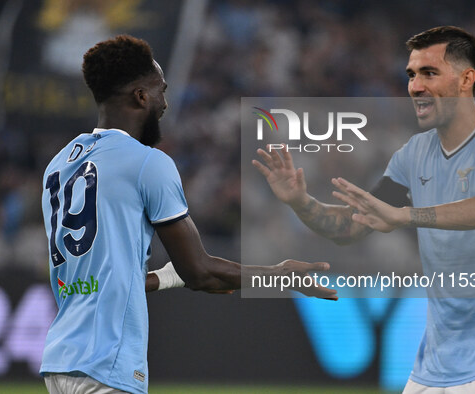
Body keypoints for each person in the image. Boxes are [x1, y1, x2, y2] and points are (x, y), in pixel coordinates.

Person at [40, 35, 337, 394]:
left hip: (60, 362)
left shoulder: (59, 166)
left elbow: (101, 277)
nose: (165, 102)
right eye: (161, 90)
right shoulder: (147, 162)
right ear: (141, 96)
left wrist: (167, 277)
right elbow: (200, 272)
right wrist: (280, 276)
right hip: (108, 361)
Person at [253, 26, 475, 393]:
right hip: (436, 363)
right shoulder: (413, 155)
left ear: (467, 79)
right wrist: (300, 201)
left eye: (429, 73)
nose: (415, 86)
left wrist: (407, 215)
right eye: (412, 74)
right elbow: (352, 227)